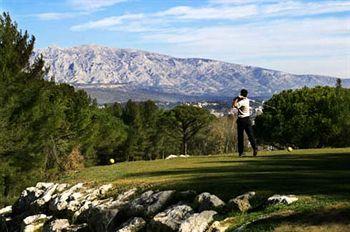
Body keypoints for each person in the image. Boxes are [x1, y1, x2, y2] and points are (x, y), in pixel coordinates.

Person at [232, 89, 258, 157]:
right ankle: (255, 148)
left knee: (240, 137)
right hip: (248, 119)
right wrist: (241, 98)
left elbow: (234, 105)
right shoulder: (247, 100)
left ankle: (241, 152)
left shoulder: (242, 102)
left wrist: (236, 98)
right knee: (250, 135)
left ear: (241, 94)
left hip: (241, 120)